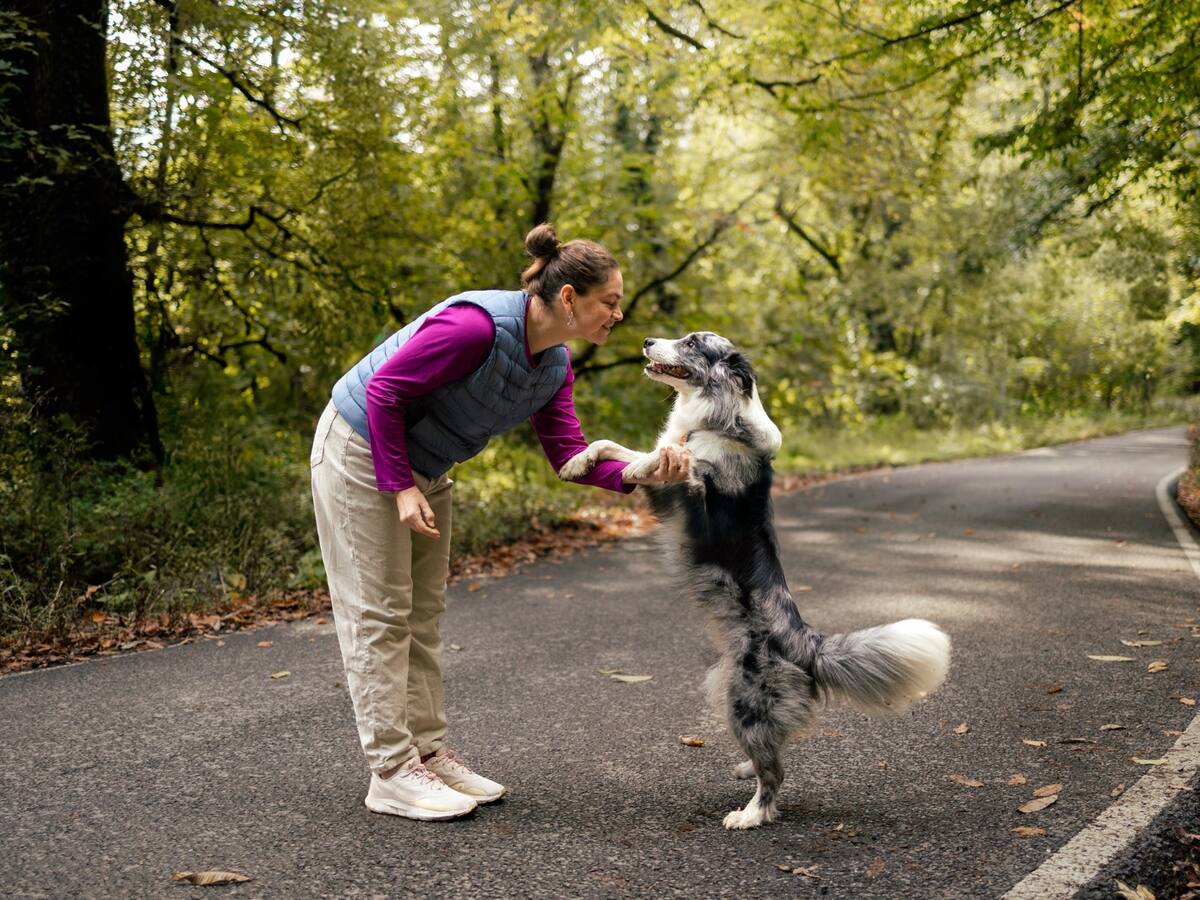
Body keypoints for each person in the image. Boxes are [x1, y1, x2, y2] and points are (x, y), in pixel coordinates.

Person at [309, 223, 691, 821]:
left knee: (423, 614)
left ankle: (427, 754)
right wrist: (400, 486)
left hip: (426, 465)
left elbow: (570, 459)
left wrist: (644, 473)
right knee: (380, 614)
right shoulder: (475, 329)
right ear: (569, 299)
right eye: (610, 302)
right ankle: (390, 771)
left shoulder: (553, 367)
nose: (618, 315)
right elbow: (384, 391)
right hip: (361, 448)